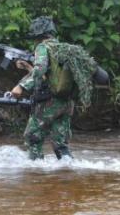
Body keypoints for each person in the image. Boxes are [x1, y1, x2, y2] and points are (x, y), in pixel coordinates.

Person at [10, 16, 74, 160]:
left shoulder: (42, 47)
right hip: (66, 102)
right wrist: (28, 68)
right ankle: (70, 173)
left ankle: (35, 175)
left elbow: (40, 70)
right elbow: (50, 75)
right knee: (60, 144)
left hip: (48, 102)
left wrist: (21, 86)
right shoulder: (61, 47)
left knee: (33, 137)